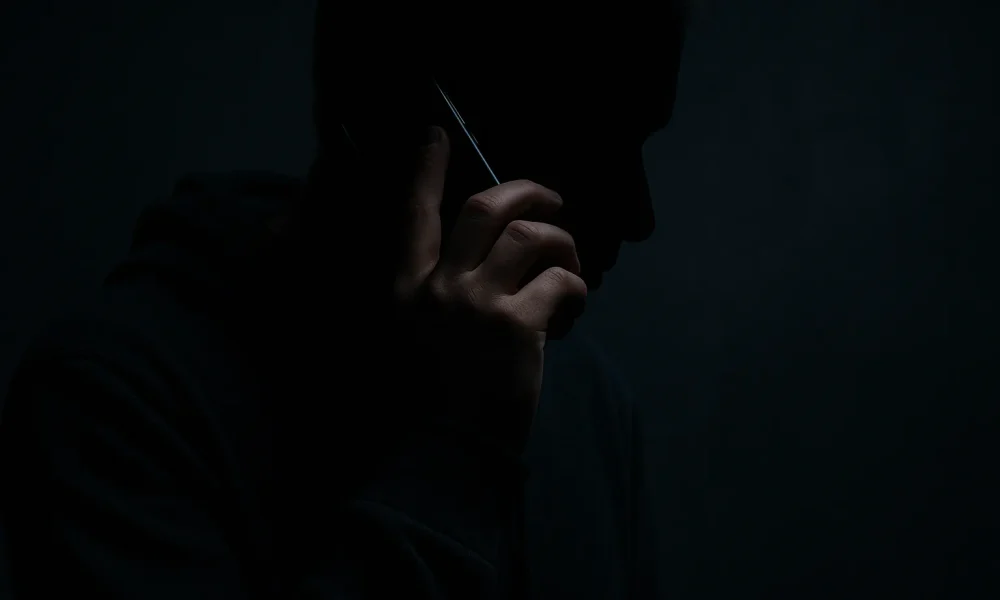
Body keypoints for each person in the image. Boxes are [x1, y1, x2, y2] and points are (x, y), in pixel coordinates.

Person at [0, 5, 688, 599]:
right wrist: (458, 458)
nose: (640, 216)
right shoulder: (114, 410)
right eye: (591, 145)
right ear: (404, 114)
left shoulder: (585, 401)